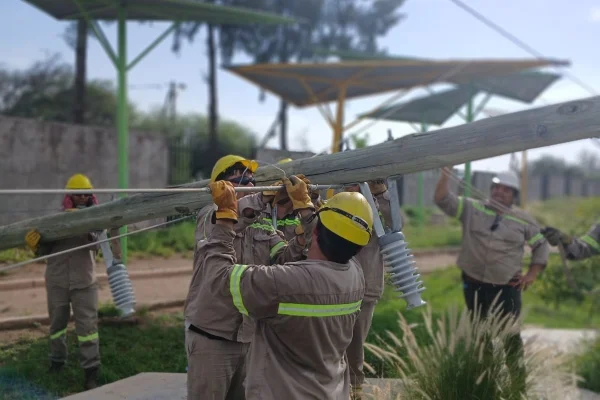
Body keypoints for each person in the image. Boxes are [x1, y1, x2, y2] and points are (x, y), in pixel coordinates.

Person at [197, 175, 373, 399]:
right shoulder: (356, 274)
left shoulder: (284, 283)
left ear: (317, 231)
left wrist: (224, 220)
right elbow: (324, 237)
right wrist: (305, 206)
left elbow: (217, 278)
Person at [185, 155, 313, 400]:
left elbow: (285, 259)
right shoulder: (209, 215)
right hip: (212, 337)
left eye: (254, 183)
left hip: (250, 336)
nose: (252, 188)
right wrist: (262, 198)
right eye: (241, 182)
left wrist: (301, 234)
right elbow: (227, 226)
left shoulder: (261, 222)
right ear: (222, 188)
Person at [434, 167, 549, 391]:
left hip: (507, 288)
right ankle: (485, 387)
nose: (499, 192)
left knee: (510, 340)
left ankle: (518, 389)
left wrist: (532, 274)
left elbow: (541, 245)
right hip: (474, 284)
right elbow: (441, 199)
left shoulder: (523, 219)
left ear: (514, 195)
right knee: (479, 337)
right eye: (496, 188)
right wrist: (444, 176)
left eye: (506, 190)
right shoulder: (471, 208)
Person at [24, 173, 113, 390]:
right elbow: (42, 252)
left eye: (85, 194)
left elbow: (100, 247)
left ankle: (91, 371)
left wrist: (94, 227)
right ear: (69, 196)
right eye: (77, 194)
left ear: (91, 196)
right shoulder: (56, 221)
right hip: (57, 282)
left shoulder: (95, 220)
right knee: (57, 326)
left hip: (85, 282)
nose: (82, 197)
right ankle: (57, 362)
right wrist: (35, 244)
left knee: (88, 328)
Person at [343, 180, 399, 399]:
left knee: (355, 345)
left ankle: (354, 390)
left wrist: (381, 193)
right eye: (349, 183)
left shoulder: (377, 204)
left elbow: (394, 224)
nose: (351, 187)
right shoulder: (338, 202)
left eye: (356, 183)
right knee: (332, 343)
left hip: (365, 287)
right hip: (335, 287)